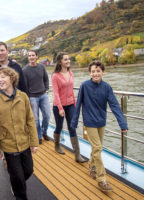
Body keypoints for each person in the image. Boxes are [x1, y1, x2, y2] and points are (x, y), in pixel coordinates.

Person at [71, 60, 128, 192]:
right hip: (89, 122)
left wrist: (122, 123)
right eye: (93, 71)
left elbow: (114, 105)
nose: (95, 73)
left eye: (98, 71)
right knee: (97, 148)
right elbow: (78, 104)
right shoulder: (84, 86)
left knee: (96, 149)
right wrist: (74, 122)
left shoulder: (107, 87)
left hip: (101, 122)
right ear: (89, 73)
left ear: (103, 72)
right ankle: (101, 179)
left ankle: (91, 166)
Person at [0, 67, 38, 200]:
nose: (0, 80)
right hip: (9, 145)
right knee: (17, 176)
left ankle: (16, 185)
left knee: (28, 170)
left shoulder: (23, 97)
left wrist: (34, 142)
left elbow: (30, 120)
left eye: (3, 77)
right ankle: (19, 194)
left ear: (12, 78)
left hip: (24, 142)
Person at [51, 52, 86, 163]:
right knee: (59, 126)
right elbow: (56, 93)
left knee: (72, 127)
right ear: (60, 61)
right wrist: (60, 108)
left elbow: (71, 91)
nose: (68, 61)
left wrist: (75, 105)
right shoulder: (55, 76)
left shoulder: (71, 73)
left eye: (69, 59)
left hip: (70, 105)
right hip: (59, 106)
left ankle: (77, 155)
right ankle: (57, 145)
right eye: (65, 59)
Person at [0, 41, 27, 106]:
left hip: (18, 104)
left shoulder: (16, 67)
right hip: (0, 107)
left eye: (2, 50)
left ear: (7, 51)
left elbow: (23, 87)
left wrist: (25, 103)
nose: (0, 53)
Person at [23, 50, 50, 144]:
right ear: (28, 57)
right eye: (29, 56)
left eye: (33, 55)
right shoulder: (25, 70)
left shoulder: (41, 67)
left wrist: (46, 89)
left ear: (36, 57)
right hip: (32, 97)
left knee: (47, 115)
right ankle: (38, 136)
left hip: (43, 95)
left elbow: (46, 79)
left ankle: (44, 132)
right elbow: (25, 87)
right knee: (36, 119)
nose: (31, 57)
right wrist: (28, 98)